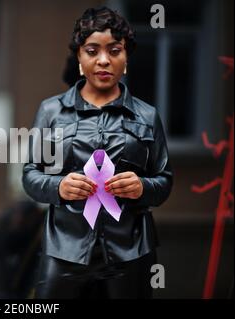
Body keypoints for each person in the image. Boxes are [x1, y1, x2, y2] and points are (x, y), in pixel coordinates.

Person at [22, 6, 173, 299]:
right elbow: (31, 176)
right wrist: (59, 186)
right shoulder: (51, 111)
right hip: (65, 249)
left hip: (131, 251)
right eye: (92, 51)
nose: (104, 60)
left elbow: (164, 181)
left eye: (114, 51)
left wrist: (142, 186)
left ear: (125, 58)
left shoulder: (147, 115)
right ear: (79, 57)